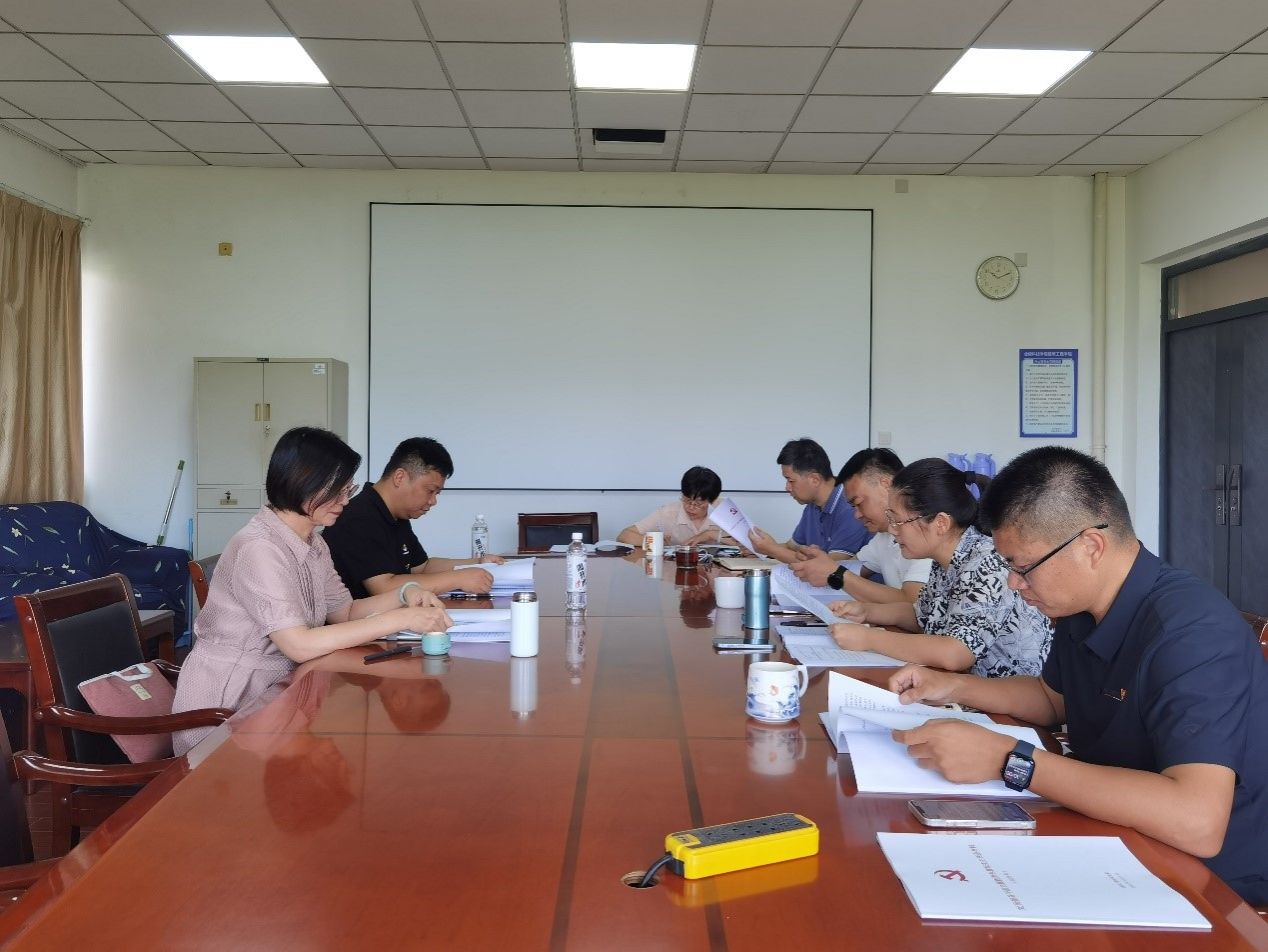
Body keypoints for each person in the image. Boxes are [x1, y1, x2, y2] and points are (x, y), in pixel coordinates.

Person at [887, 447, 1268, 906]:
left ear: (1090, 546)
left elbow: (1197, 822)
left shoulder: (1192, 632)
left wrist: (1009, 759)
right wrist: (953, 686)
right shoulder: (1081, 607)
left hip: (1207, 884)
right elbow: (1053, 699)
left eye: (1023, 567)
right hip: (1115, 834)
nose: (1013, 584)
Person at [171, 427, 453, 756]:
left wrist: (405, 594)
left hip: (279, 696)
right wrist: (400, 619)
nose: (345, 501)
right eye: (338, 490)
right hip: (227, 709)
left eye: (348, 489)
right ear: (304, 481)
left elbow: (345, 612)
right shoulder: (260, 548)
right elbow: (298, 644)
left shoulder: (313, 543)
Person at [829, 458, 1051, 676]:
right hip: (962, 684)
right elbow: (920, 615)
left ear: (941, 523)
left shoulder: (987, 563)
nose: (893, 530)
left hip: (1008, 692)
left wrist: (869, 639)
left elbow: (955, 652)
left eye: (898, 521)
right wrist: (867, 612)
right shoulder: (945, 560)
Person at [323, 437, 505, 598]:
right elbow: (384, 587)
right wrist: (457, 578)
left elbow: (422, 567)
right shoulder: (359, 517)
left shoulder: (396, 514)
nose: (433, 501)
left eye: (437, 493)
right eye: (430, 491)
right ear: (400, 477)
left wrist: (478, 563)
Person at [791, 448, 931, 604]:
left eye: (859, 503)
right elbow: (855, 568)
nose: (857, 515)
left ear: (886, 485)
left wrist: (837, 573)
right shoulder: (883, 536)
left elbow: (913, 603)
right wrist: (822, 564)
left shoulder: (927, 528)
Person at [749, 438, 871, 564]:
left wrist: (772, 549)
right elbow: (791, 547)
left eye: (791, 481)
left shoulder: (851, 507)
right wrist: (759, 548)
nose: (787, 488)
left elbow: (830, 566)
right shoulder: (813, 506)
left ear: (814, 479)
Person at [616, 466, 738, 547]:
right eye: (687, 500)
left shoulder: (725, 510)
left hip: (717, 575)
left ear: (712, 500)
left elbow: (747, 544)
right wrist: (654, 542)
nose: (691, 507)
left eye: (698, 503)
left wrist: (710, 534)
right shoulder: (667, 512)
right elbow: (624, 535)